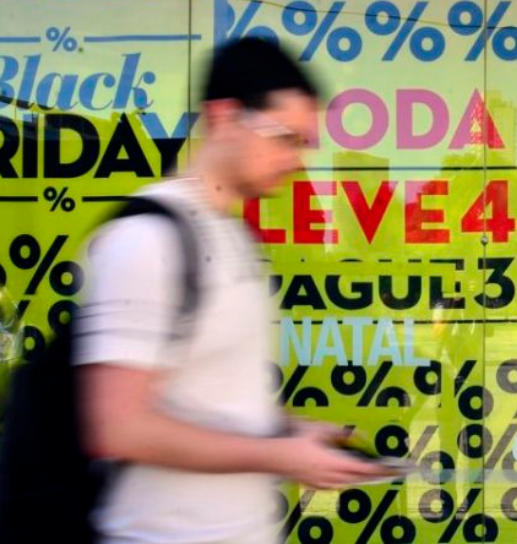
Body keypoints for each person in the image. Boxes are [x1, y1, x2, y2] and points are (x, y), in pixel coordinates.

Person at [72, 37, 389, 544]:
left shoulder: (233, 236)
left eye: (304, 143)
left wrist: (287, 430)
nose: (298, 159)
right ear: (222, 117)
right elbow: (120, 427)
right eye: (285, 138)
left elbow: (206, 400)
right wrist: (280, 455)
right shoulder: (147, 239)